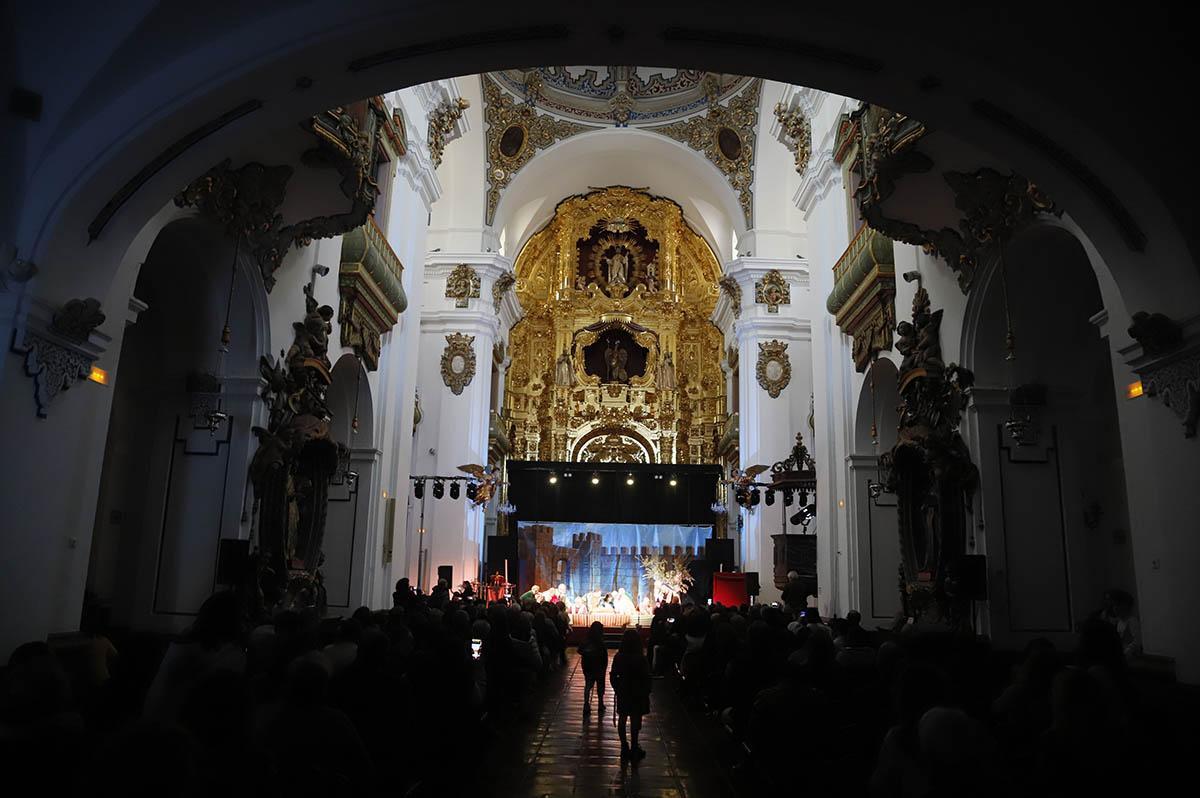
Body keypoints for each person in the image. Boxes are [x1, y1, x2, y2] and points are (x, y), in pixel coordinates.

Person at [610, 629, 652, 761]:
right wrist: (646, 690)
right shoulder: (641, 658)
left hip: (624, 690)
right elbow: (646, 677)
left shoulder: (619, 656)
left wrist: (617, 687)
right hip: (638, 692)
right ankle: (634, 746)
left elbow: (613, 675)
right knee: (635, 719)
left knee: (622, 718)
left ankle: (624, 746)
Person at [580, 621, 609, 715]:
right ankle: (600, 703)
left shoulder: (586, 640)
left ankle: (586, 704)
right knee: (600, 686)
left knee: (588, 685)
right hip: (599, 667)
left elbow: (580, 650)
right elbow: (604, 656)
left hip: (588, 666)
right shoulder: (601, 642)